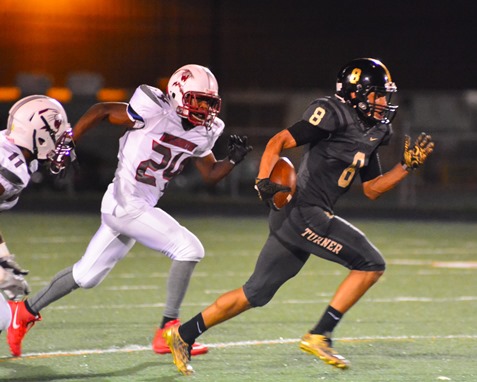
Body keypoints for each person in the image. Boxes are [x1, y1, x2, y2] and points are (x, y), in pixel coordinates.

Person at [162, 58, 435, 375]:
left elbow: (372, 188)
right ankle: (321, 333)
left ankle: (182, 335)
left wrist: (405, 167)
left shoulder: (377, 129)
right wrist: (263, 180)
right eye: (377, 94)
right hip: (303, 212)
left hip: (304, 217)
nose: (384, 102)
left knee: (255, 293)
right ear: (355, 93)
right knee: (371, 263)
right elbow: (279, 141)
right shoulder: (332, 112)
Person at [7, 64, 253, 357]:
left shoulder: (206, 131)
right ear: (176, 93)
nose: (203, 108)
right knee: (189, 248)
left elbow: (210, 173)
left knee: (86, 276)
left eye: (208, 102)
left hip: (136, 206)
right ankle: (168, 330)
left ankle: (22, 312)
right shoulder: (153, 108)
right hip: (126, 201)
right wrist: (68, 144)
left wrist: (232, 161)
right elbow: (100, 110)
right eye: (197, 99)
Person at [0, 95, 76, 333]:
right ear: (38, 135)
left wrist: (4, 257)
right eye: (57, 135)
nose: (61, 143)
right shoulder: (12, 169)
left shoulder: (13, 150)